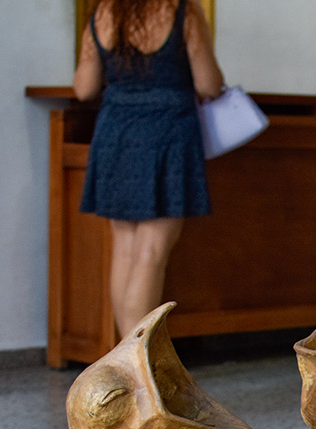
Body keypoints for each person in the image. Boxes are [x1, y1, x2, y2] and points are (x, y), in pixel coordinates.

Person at [73, 0, 224, 338]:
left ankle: (125, 359)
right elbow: (208, 84)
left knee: (125, 249)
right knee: (151, 252)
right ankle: (135, 359)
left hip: (116, 132)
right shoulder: (181, 9)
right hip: (168, 131)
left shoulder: (104, 12)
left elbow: (83, 88)